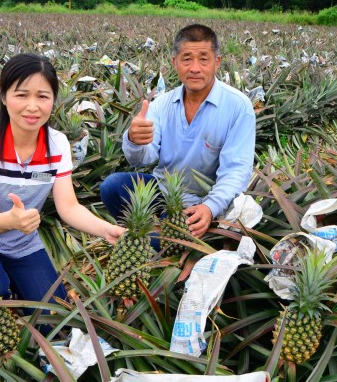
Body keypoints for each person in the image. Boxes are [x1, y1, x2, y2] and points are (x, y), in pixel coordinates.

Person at [0, 53, 125, 311]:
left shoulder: (57, 144)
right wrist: (10, 221)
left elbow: (69, 207)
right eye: (21, 95)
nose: (32, 106)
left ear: (53, 100)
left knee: (53, 313)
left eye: (42, 96)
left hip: (21, 243)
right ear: (4, 97)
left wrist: (107, 230)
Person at [100, 24, 255, 241]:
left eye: (203, 59)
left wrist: (210, 208)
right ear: (174, 63)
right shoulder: (161, 105)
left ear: (217, 62)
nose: (194, 68)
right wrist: (135, 141)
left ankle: (153, 237)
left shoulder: (238, 106)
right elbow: (144, 159)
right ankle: (153, 231)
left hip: (206, 201)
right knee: (112, 186)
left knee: (155, 243)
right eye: (186, 59)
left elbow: (236, 170)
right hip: (164, 191)